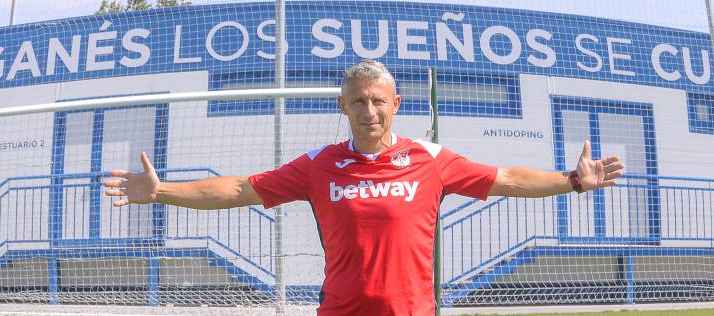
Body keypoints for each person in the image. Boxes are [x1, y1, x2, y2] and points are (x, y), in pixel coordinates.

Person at [103, 59, 624, 315]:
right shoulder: (318, 165)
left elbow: (505, 178)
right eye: (358, 101)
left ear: (395, 104)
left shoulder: (431, 159)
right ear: (343, 107)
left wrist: (574, 180)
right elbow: (241, 189)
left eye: (379, 100)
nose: (369, 110)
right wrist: (164, 190)